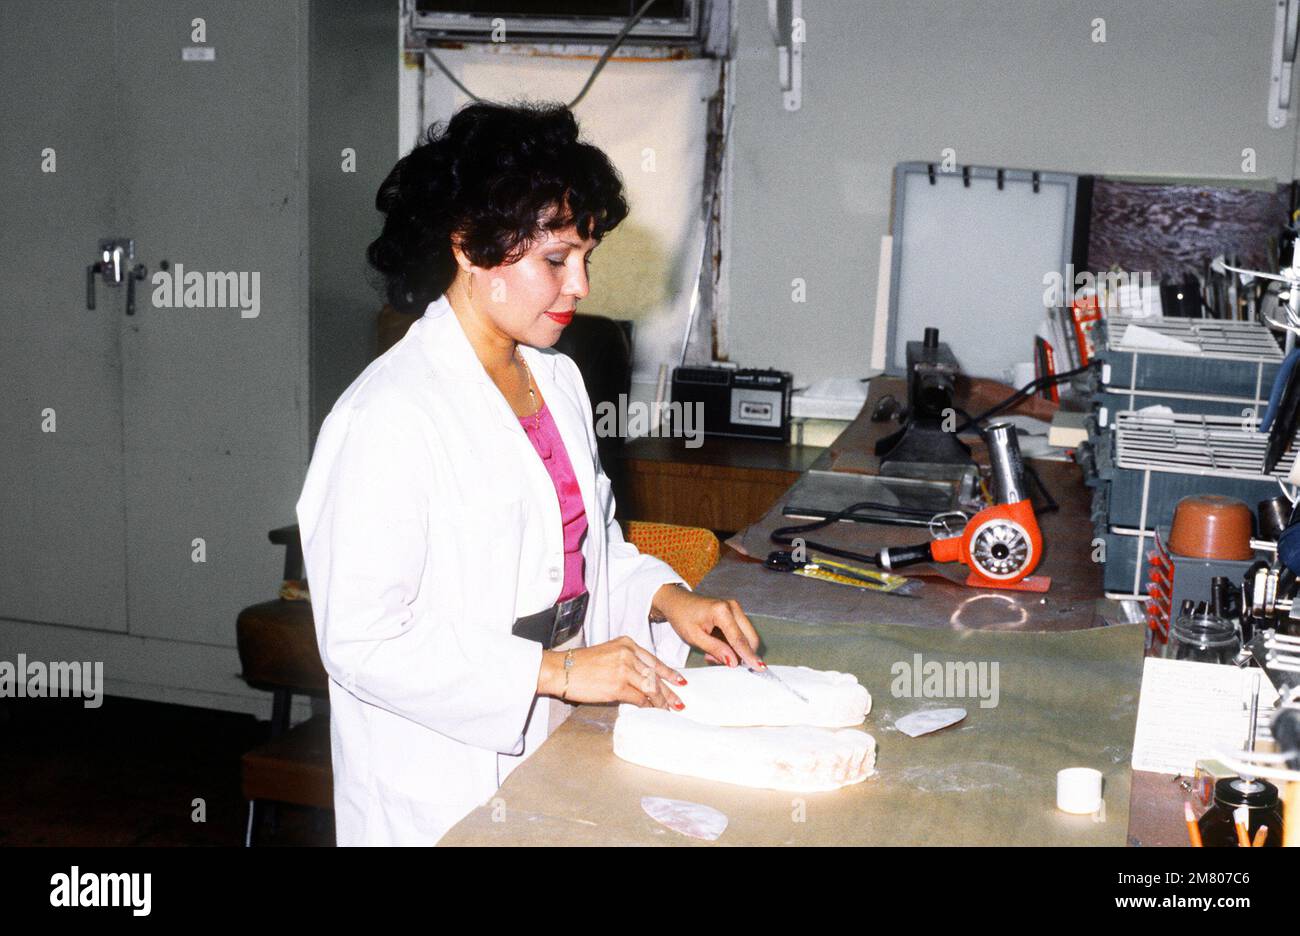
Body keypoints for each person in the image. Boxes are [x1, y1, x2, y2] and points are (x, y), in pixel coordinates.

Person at [295, 101, 765, 845]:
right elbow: (363, 642)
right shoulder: (387, 416)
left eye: (586, 256)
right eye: (555, 259)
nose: (579, 285)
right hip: (442, 771)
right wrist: (557, 674)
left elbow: (590, 551)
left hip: (556, 732)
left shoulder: (558, 382)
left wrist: (666, 597)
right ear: (469, 247)